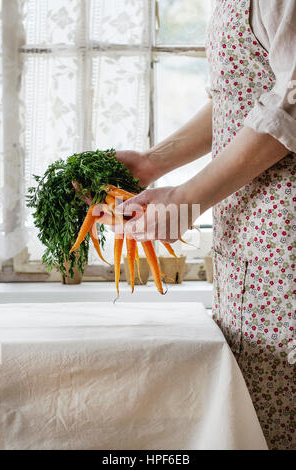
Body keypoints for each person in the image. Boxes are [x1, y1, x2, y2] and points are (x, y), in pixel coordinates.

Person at [114, 0, 296, 450]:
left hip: (284, 249)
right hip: (251, 247)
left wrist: (185, 199)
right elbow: (246, 98)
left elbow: (292, 98)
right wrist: (153, 163)